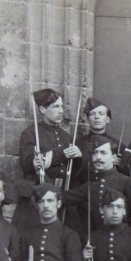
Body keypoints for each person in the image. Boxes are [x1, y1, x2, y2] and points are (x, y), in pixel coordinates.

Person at [12, 88, 82, 231]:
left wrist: (78, 158)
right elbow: (27, 165)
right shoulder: (31, 133)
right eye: (56, 106)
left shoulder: (66, 137)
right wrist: (61, 154)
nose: (61, 111)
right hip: (39, 197)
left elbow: (73, 171)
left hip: (62, 195)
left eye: (62, 106)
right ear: (43, 109)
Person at [62, 135, 131, 238]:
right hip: (98, 241)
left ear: (114, 157)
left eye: (103, 153)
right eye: (95, 153)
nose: (98, 157)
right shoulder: (92, 184)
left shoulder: (126, 181)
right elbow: (64, 197)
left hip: (124, 240)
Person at [74, 97, 121, 188]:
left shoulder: (118, 145)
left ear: (107, 119)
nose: (96, 117)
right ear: (87, 119)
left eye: (101, 113)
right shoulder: (77, 144)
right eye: (92, 114)